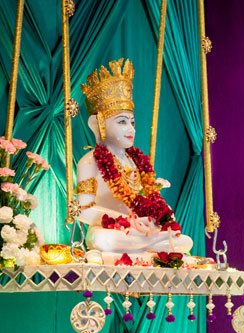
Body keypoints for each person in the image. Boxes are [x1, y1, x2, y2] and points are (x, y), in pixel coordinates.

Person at [75, 58, 193, 264]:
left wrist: (162, 218)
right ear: (99, 124)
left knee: (184, 240)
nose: (131, 129)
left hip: (142, 230)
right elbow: (82, 211)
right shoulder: (89, 162)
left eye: (132, 122)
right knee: (102, 239)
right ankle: (148, 244)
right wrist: (128, 221)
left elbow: (148, 202)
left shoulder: (136, 161)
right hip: (110, 231)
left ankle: (149, 242)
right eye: (122, 122)